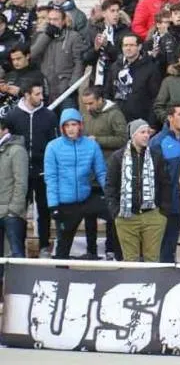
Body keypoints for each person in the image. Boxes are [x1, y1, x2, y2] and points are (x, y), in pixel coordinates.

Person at [43, 108, 107, 260]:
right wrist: (53, 205)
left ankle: (107, 253)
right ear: (62, 128)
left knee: (114, 215)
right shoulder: (52, 147)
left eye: (74, 124)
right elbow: (51, 178)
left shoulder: (91, 146)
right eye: (67, 125)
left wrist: (111, 197)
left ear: (80, 126)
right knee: (64, 244)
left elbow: (101, 173)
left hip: (86, 197)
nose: (71, 128)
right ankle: (60, 273)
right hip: (65, 203)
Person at [4, 82, 58, 258]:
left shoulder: (49, 116)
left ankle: (44, 246)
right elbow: (7, 143)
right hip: (20, 172)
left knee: (44, 209)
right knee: (19, 211)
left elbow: (54, 143)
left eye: (41, 93)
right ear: (26, 95)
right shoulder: (13, 116)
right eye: (37, 94)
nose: (41, 97)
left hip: (42, 170)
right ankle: (19, 247)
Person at [105, 120, 170, 262]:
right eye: (142, 132)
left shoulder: (156, 155)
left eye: (148, 132)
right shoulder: (118, 157)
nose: (147, 136)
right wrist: (115, 211)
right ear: (133, 135)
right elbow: (110, 186)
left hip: (153, 215)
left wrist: (163, 211)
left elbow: (165, 183)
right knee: (130, 260)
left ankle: (151, 285)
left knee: (152, 259)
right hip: (126, 216)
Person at [149, 104, 180, 263]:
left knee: (171, 245)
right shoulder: (158, 141)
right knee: (161, 247)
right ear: (170, 118)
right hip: (163, 204)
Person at [30, 7, 86, 105]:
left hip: (66, 89)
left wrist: (72, 86)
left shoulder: (74, 37)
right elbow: (32, 54)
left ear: (63, 21)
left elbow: (79, 62)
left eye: (55, 19)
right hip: (46, 88)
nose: (52, 22)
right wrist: (46, 36)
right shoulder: (41, 36)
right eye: (50, 19)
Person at [104, 33, 161, 126]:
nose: (128, 48)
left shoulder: (151, 68)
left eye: (131, 45)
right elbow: (108, 92)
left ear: (139, 47)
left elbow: (155, 99)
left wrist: (152, 124)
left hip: (141, 122)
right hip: (117, 120)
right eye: (125, 45)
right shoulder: (115, 67)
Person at [0, 118, 29, 281]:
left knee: (16, 254)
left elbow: (21, 182)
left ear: (4, 130)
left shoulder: (17, 150)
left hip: (11, 213)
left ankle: (19, 292)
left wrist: (14, 210)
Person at [83, 0, 133, 87]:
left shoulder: (125, 32)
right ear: (104, 13)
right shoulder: (93, 30)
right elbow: (86, 59)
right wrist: (95, 49)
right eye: (112, 11)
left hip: (116, 80)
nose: (116, 14)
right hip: (97, 80)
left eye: (118, 11)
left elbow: (123, 57)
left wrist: (107, 45)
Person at [81, 86, 127, 161]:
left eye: (90, 103)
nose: (87, 108)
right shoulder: (85, 115)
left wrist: (97, 140)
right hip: (90, 159)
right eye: (85, 104)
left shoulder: (115, 114)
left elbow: (122, 140)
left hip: (109, 160)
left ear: (100, 100)